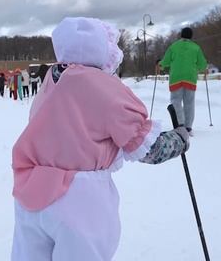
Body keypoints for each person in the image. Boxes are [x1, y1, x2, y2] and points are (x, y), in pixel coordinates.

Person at [11, 17, 189, 261]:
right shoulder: (103, 87)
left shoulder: (52, 80)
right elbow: (147, 148)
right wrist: (178, 140)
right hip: (77, 198)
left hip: (31, 194)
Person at [157, 27, 208, 134]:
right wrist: (201, 67)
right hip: (190, 78)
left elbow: (165, 61)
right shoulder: (196, 48)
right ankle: (188, 127)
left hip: (176, 78)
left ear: (181, 35)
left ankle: (180, 124)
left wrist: (160, 64)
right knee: (189, 102)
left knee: (176, 100)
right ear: (191, 36)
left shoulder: (173, 47)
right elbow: (202, 65)